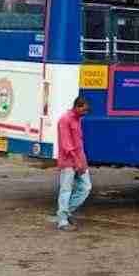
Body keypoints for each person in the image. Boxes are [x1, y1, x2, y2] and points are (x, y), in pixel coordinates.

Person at [53, 97, 91, 231]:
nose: (86, 112)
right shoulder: (65, 119)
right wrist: (77, 162)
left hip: (79, 160)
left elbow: (78, 143)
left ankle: (65, 212)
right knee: (66, 190)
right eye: (84, 109)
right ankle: (62, 221)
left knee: (86, 187)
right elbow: (66, 145)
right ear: (77, 107)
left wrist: (82, 162)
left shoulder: (77, 119)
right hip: (69, 162)